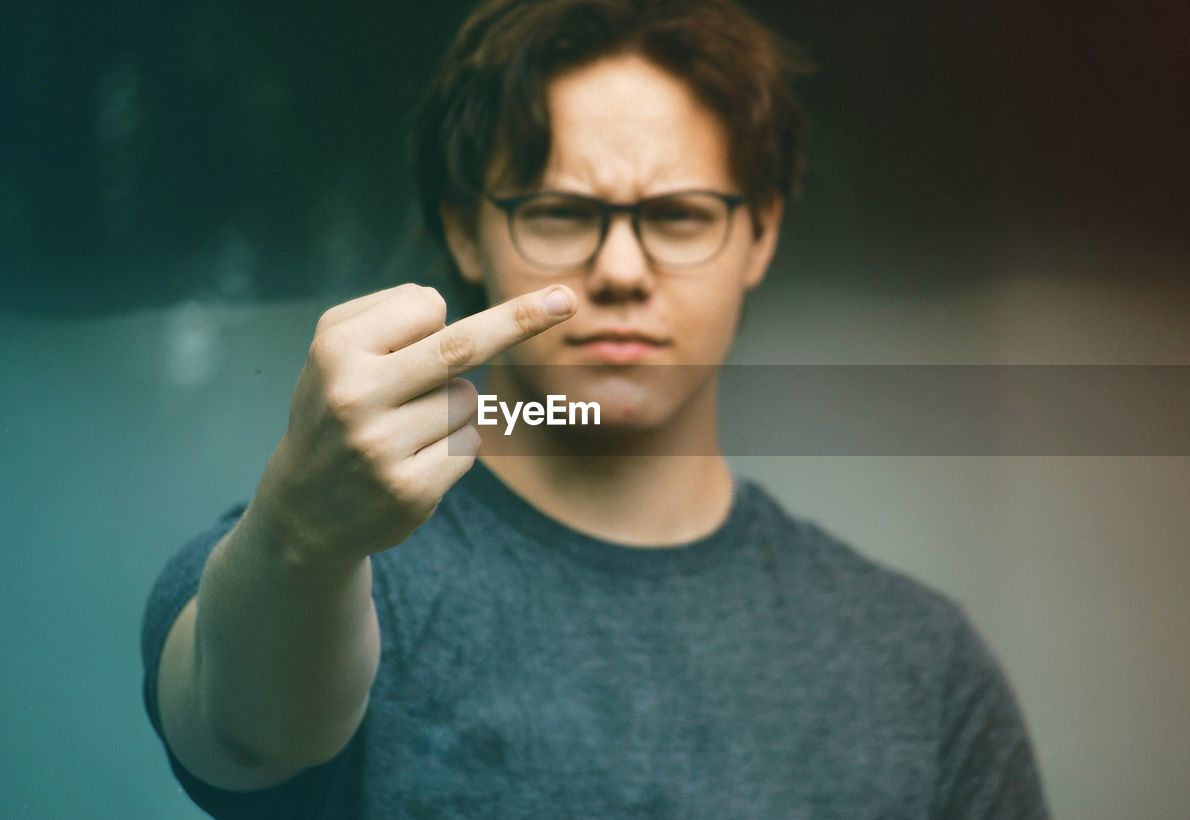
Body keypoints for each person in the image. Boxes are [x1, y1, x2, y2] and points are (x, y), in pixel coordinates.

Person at [140, 0, 1049, 816]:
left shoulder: (921, 667)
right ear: (465, 228)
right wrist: (301, 539)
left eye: (681, 215)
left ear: (760, 231)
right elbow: (240, 728)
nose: (621, 270)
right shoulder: (333, 578)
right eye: (561, 212)